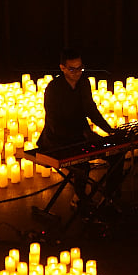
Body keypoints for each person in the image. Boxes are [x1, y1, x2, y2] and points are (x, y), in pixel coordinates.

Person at [37, 48, 118, 203]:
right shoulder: (54, 89)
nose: (77, 72)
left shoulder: (83, 83)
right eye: (72, 69)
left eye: (80, 68)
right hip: (58, 139)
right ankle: (80, 200)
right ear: (62, 68)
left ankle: (109, 196)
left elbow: (91, 110)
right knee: (82, 167)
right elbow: (54, 122)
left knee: (116, 154)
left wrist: (110, 130)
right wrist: (82, 135)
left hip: (82, 135)